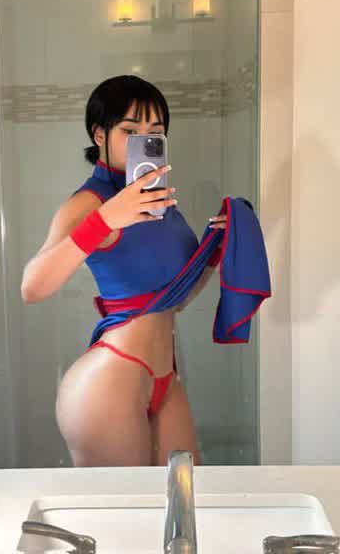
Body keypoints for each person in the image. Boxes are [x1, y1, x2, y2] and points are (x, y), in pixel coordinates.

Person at [21, 75, 226, 467]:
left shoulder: (159, 201)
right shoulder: (89, 202)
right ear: (99, 134)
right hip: (110, 380)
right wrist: (104, 219)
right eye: (130, 131)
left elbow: (174, 299)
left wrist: (213, 251)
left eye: (155, 132)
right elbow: (32, 287)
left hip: (164, 378)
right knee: (124, 505)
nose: (143, 141)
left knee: (185, 498)